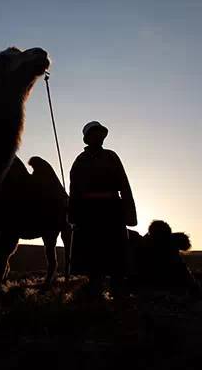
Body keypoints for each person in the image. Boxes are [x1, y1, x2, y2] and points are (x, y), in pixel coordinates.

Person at [68, 121, 137, 297]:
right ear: (87, 138)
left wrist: (129, 213)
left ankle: (118, 290)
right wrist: (73, 215)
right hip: (89, 213)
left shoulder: (112, 157)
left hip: (112, 211)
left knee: (116, 253)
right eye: (94, 133)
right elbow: (74, 190)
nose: (98, 136)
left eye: (100, 133)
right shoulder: (80, 161)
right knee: (93, 253)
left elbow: (124, 185)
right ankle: (95, 290)